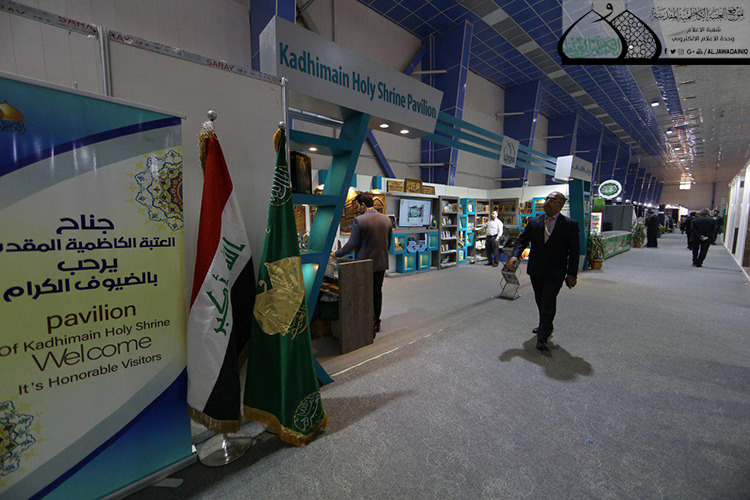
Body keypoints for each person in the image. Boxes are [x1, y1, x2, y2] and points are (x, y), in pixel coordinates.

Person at [508, 192, 579, 352]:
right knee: (540, 300)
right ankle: (546, 324)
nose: (547, 202)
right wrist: (514, 256)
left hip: (556, 271)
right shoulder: (534, 222)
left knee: (548, 301)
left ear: (561, 205)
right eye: (547, 199)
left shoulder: (570, 224)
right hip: (536, 270)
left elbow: (574, 251)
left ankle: (543, 336)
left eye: (552, 200)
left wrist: (572, 274)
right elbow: (522, 240)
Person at [331, 192, 392, 334]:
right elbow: (387, 244)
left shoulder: (359, 220)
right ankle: (376, 323)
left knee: (364, 293)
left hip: (364, 265)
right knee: (377, 292)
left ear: (363, 205)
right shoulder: (386, 219)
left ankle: (365, 323)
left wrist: (336, 253)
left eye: (358, 205)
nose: (357, 208)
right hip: (381, 263)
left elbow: (351, 245)